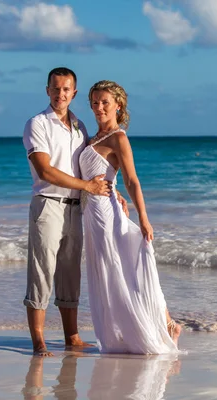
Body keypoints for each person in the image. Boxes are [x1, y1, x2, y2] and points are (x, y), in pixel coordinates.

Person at [22, 67, 126, 357]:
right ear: (47, 90)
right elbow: (45, 170)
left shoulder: (79, 127)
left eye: (66, 89)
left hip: (76, 208)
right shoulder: (37, 124)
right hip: (47, 204)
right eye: (55, 89)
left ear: (74, 93)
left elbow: (91, 166)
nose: (60, 94)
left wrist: (110, 188)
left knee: (70, 273)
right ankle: (39, 340)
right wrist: (87, 186)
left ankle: (72, 337)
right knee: (42, 271)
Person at [79, 80, 182, 354]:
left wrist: (144, 217)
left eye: (105, 102)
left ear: (118, 106)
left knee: (121, 272)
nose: (99, 107)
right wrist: (116, 192)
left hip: (106, 213)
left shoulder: (118, 137)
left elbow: (133, 180)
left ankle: (166, 324)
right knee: (110, 273)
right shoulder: (92, 138)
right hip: (92, 212)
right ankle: (144, 327)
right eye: (95, 102)